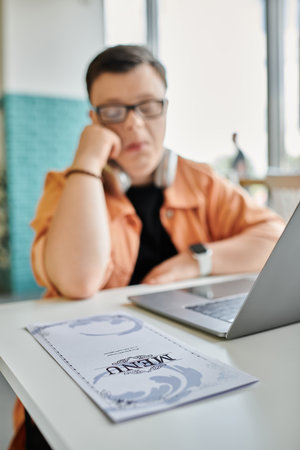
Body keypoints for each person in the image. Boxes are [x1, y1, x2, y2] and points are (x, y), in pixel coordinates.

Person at [10, 44, 285, 449]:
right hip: (85, 375)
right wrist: (88, 160)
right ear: (94, 119)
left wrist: (197, 263)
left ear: (166, 108)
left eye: (147, 106)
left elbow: (275, 238)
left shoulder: (201, 181)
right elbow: (77, 279)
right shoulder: (69, 185)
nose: (134, 124)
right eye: (113, 111)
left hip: (179, 364)